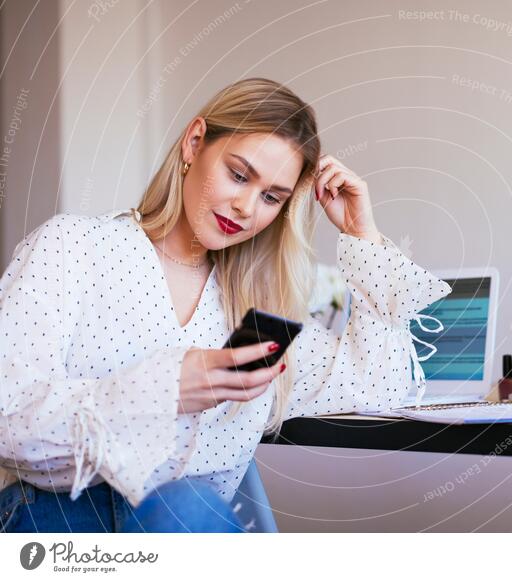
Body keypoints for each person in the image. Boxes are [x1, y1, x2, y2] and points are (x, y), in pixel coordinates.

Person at [0, 78, 452, 533]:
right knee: (188, 504)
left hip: (188, 530)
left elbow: (381, 390)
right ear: (195, 143)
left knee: (190, 506)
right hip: (53, 522)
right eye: (239, 175)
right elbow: (8, 422)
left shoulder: (257, 313)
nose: (245, 206)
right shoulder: (74, 247)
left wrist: (362, 236)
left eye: (271, 197)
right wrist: (163, 390)